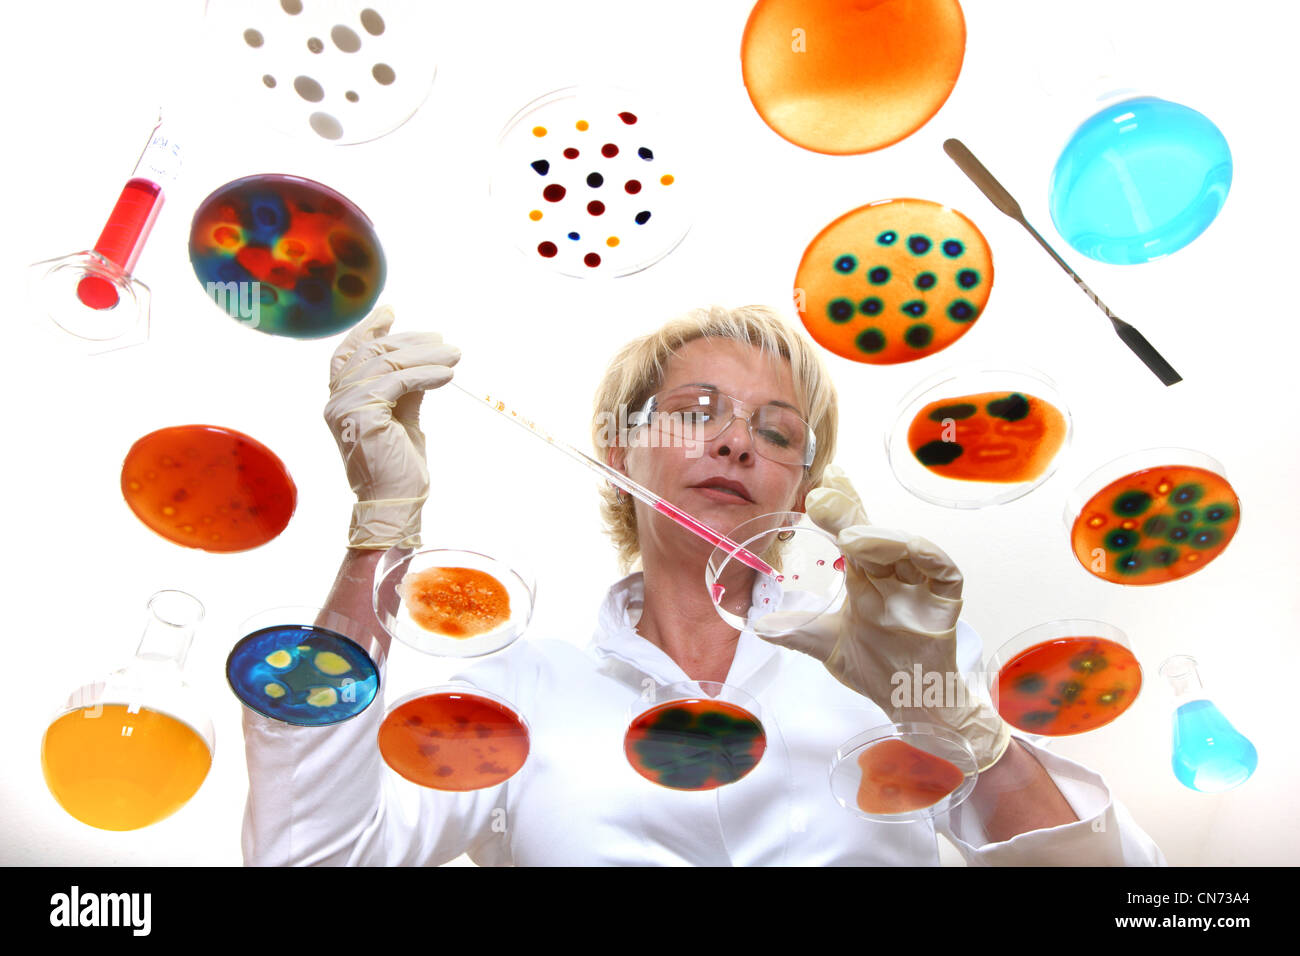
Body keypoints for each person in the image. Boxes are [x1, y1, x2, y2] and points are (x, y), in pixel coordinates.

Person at [241, 304, 1165, 866]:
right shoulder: (514, 689)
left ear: (803, 490)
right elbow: (309, 858)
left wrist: (953, 722)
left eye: (777, 432)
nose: (736, 444)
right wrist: (382, 525)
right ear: (618, 450)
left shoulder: (901, 666)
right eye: (696, 413)